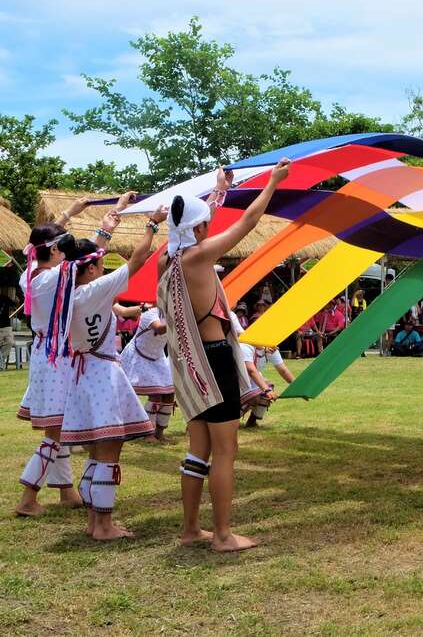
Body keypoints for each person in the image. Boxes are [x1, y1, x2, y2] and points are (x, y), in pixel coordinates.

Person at [157, 160, 290, 553]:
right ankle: (223, 535)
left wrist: (220, 190)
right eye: (205, 224)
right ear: (198, 230)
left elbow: (198, 224)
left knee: (198, 449)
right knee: (226, 451)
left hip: (190, 365)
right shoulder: (198, 257)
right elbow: (247, 222)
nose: (209, 228)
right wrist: (272, 183)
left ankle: (189, 529)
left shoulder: (169, 260)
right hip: (215, 362)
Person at [52, 206, 167, 540]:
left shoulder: (67, 292)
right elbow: (139, 258)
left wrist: (106, 228)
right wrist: (151, 224)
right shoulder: (93, 291)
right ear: (89, 271)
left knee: (95, 454)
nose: (105, 270)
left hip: (84, 373)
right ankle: (103, 525)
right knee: (108, 453)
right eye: (100, 265)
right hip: (102, 372)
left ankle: (94, 522)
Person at [14, 194, 130, 518]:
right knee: (54, 434)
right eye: (61, 247)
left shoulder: (30, 273)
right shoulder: (53, 278)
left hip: (44, 352)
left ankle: (66, 492)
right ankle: (27, 497)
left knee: (60, 428)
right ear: (54, 251)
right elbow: (85, 256)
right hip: (57, 355)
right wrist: (107, 226)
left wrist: (69, 213)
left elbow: (34, 245)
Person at [119, 304, 175, 443]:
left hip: (157, 356)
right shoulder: (150, 314)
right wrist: (180, 319)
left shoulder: (172, 316)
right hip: (139, 356)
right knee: (155, 394)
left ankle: (159, 432)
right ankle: (148, 433)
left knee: (169, 394)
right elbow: (160, 329)